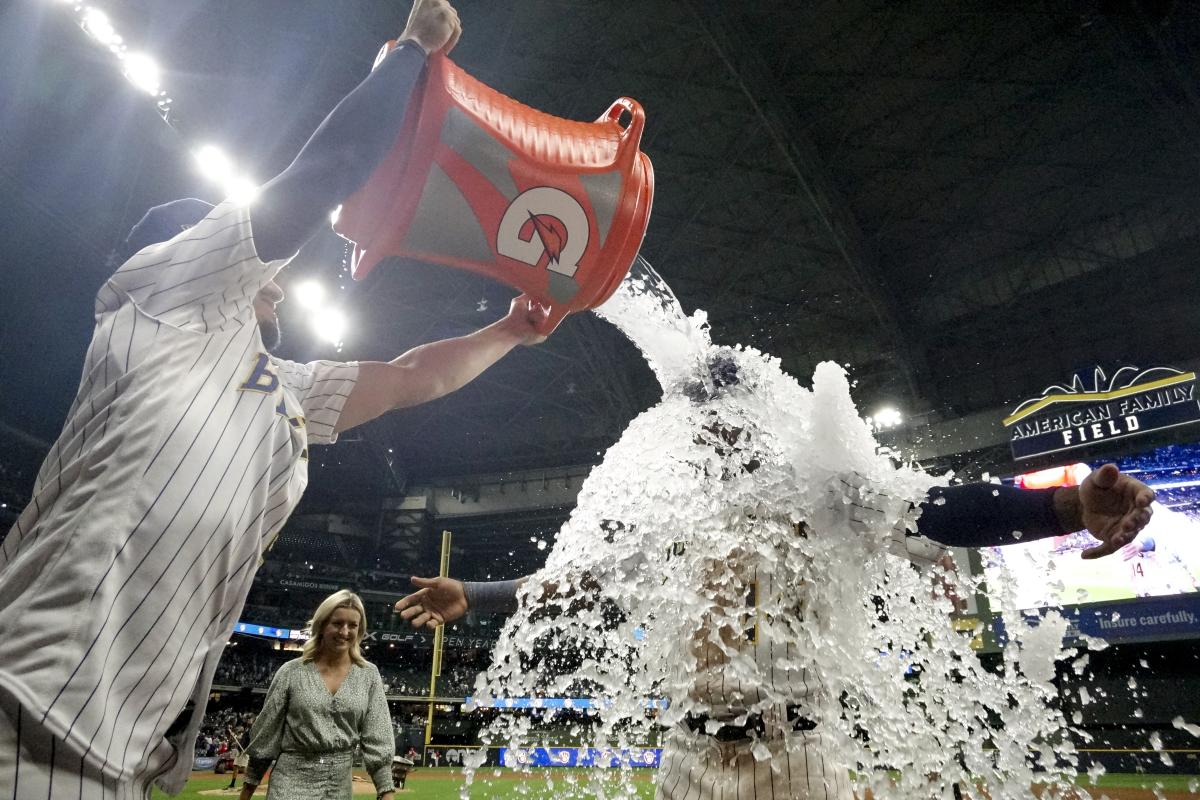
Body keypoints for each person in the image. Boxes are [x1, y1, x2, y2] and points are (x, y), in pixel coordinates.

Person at [0, 1, 551, 796]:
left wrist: (507, 332)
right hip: (28, 704)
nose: (280, 276)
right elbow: (317, 180)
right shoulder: (163, 297)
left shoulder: (278, 385)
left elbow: (407, 378)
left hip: (123, 752)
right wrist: (409, 55)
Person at [394, 356, 1155, 800]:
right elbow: (586, 577)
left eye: (723, 417)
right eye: (698, 419)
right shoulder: (681, 509)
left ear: (759, 415)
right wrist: (479, 596)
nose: (711, 432)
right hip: (688, 756)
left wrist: (1062, 505)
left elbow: (935, 510)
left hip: (792, 757)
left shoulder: (828, 489)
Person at [237, 591, 393, 800]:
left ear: (360, 629)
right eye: (337, 623)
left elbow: (378, 734)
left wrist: (386, 791)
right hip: (290, 785)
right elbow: (266, 733)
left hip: (339, 789)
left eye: (352, 625)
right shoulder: (291, 672)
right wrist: (247, 791)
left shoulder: (368, 674)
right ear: (321, 625)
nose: (344, 631)